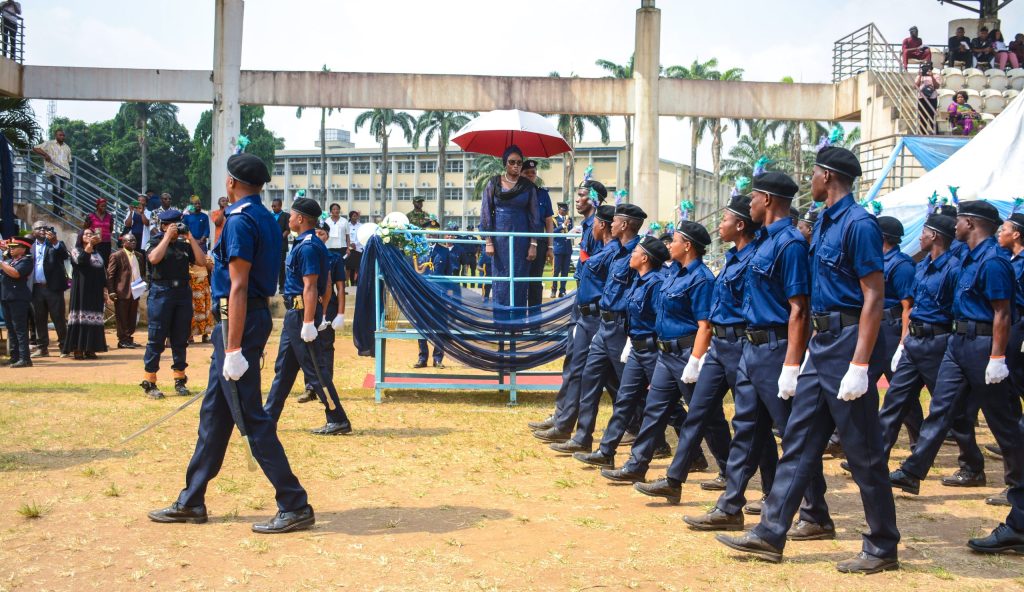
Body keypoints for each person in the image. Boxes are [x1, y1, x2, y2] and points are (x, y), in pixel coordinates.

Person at [717, 147, 900, 574]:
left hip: (848, 340)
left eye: (815, 174)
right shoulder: (822, 226)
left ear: (828, 177)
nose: (811, 181)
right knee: (798, 440)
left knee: (863, 452)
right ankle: (770, 532)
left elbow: (873, 295)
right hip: (823, 343)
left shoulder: (858, 225)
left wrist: (860, 364)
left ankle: (881, 545)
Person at [149, 152, 315, 534]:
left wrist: (234, 349)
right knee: (214, 415)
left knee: (251, 418)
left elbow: (238, 286)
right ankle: (192, 500)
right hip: (243, 319)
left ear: (230, 182)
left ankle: (294, 502)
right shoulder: (264, 219)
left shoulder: (241, 220)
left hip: (238, 322)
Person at [889, 201, 1024, 554]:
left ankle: (1020, 509)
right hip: (958, 342)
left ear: (970, 223)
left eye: (960, 220)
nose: (956, 225)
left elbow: (1002, 313)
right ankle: (912, 471)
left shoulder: (993, 261)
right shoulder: (967, 257)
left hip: (982, 346)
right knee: (941, 408)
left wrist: (996, 358)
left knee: (1005, 428)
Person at [632, 195, 777, 511]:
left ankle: (770, 491)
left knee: (755, 423)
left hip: (741, 347)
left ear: (740, 225)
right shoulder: (732, 259)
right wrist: (699, 358)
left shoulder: (753, 259)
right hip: (719, 349)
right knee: (696, 412)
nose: (720, 224)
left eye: (725, 219)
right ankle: (673, 481)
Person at [877, 214, 982, 482]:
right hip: (914, 342)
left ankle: (972, 465)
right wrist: (903, 342)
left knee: (951, 411)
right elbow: (911, 307)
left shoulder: (954, 269)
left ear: (934, 235)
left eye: (923, 232)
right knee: (894, 402)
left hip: (939, 343)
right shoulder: (922, 266)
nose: (920, 237)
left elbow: (958, 309)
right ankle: (875, 460)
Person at [546, 204, 646, 454]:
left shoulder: (634, 254)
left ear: (622, 225)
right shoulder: (619, 252)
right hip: (602, 322)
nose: (609, 224)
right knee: (590, 378)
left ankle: (656, 439)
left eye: (614, 221)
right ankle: (582, 438)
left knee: (629, 387)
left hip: (618, 326)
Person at [572, 235, 669, 470]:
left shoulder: (655, 283)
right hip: (633, 343)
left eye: (636, 252)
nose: (632, 255)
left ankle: (690, 451)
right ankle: (606, 451)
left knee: (665, 404)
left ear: (644, 258)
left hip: (651, 349)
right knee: (624, 399)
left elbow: (659, 321)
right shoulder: (639, 279)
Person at [263, 197, 352, 436]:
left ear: (301, 219)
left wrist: (310, 321)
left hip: (302, 313)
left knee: (314, 369)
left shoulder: (310, 246)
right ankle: (267, 418)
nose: (289, 219)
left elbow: (312, 286)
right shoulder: (303, 242)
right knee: (284, 368)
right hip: (295, 313)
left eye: (291, 215)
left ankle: (337, 417)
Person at [532, 204, 619, 443]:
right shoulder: (605, 250)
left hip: (595, 318)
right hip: (585, 315)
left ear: (602, 225)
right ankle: (565, 423)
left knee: (586, 373)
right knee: (592, 373)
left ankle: (566, 426)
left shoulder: (611, 253)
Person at [141, 209, 205, 399]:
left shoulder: (185, 244)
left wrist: (191, 237)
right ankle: (150, 381)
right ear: (163, 225)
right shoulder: (154, 241)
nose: (176, 227)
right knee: (156, 337)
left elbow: (201, 261)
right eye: (172, 224)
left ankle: (180, 379)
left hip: (182, 293)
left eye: (179, 223)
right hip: (161, 292)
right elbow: (153, 259)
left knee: (180, 338)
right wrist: (167, 237)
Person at [479, 145, 541, 311]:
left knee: (520, 279)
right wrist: (488, 240)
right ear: (505, 163)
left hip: (522, 239)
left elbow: (535, 216)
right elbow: (485, 212)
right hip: (499, 240)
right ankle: (500, 324)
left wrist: (533, 244)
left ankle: (517, 325)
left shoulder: (528, 187)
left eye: (519, 162)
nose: (516, 165)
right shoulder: (493, 183)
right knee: (500, 280)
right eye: (512, 162)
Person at [877, 216, 921, 445]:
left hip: (892, 330)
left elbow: (908, 307)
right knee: (860, 383)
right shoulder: (875, 260)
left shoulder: (901, 265)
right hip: (875, 327)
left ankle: (918, 443)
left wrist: (903, 343)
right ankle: (841, 439)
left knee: (902, 392)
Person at [298, 222, 347, 404]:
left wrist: (341, 313)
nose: (319, 237)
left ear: (327, 236)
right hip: (309, 306)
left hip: (329, 308)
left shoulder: (334, 258)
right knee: (308, 347)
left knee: (326, 346)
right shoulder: (305, 252)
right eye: (316, 233)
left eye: (323, 234)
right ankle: (310, 387)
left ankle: (326, 387)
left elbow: (341, 287)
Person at [62, 228, 109, 360]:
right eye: (86, 234)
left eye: (91, 234)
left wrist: (105, 290)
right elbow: (82, 261)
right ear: (81, 237)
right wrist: (89, 246)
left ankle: (90, 347)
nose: (89, 236)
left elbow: (102, 273)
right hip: (81, 290)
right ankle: (78, 348)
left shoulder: (98, 254)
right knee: (81, 316)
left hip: (95, 290)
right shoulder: (76, 251)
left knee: (94, 317)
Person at [414, 219, 451, 368]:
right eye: (429, 232)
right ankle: (423, 357)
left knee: (440, 326)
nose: (431, 235)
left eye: (434, 233)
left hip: (439, 294)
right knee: (422, 325)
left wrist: (448, 294)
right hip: (422, 293)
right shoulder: (418, 250)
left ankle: (438, 358)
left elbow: (449, 274)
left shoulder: (444, 251)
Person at [29, 221, 69, 357]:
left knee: (58, 317)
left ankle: (64, 347)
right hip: (36, 288)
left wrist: (55, 241)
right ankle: (42, 348)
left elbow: (64, 255)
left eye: (44, 227)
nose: (42, 230)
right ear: (33, 231)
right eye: (38, 228)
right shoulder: (30, 247)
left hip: (53, 288)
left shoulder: (55, 244)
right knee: (39, 319)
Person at [522, 160, 555, 307]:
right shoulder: (515, 194)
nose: (530, 175)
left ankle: (535, 321)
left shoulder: (542, 194)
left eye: (533, 173)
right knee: (518, 281)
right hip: (519, 242)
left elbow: (548, 222)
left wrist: (550, 247)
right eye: (526, 173)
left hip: (540, 243)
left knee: (535, 282)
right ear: (520, 173)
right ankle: (518, 321)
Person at [106, 232, 146, 349]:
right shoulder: (117, 255)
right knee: (122, 317)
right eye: (130, 240)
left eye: (134, 240)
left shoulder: (139, 255)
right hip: (122, 291)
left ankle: (129, 338)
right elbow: (110, 275)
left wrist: (141, 285)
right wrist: (111, 291)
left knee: (132, 317)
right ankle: (122, 340)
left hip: (136, 290)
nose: (133, 242)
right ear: (123, 243)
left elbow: (142, 272)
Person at [1, 236, 32, 367]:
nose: (11, 249)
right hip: (6, 297)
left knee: (19, 329)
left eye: (14, 247)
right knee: (11, 329)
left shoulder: (26, 260)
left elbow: (15, 274)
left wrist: (1, 263)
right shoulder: (11, 261)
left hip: (18, 298)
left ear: (23, 249)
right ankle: (15, 356)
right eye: (11, 247)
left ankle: (25, 358)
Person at [32, 130, 71, 217]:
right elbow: (35, 148)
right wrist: (45, 154)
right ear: (56, 135)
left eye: (63, 135)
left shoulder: (67, 147)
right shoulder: (49, 143)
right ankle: (56, 211)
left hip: (65, 172)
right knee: (57, 190)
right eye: (60, 135)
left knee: (62, 192)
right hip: (54, 170)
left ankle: (59, 210)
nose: (62, 137)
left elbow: (69, 160)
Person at [189, 252, 214, 344]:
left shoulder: (201, 253)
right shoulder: (185, 251)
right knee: (192, 309)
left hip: (203, 283)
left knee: (205, 309)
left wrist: (204, 261)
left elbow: (211, 266)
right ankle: (190, 335)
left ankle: (205, 335)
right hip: (192, 282)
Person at [551, 202, 573, 298]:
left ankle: (562, 290)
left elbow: (571, 231)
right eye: (563, 210)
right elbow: (552, 232)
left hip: (567, 248)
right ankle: (553, 290)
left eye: (566, 210)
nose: (565, 212)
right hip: (558, 248)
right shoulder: (554, 219)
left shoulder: (569, 219)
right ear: (559, 209)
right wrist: (562, 226)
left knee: (565, 271)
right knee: (556, 271)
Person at [270, 198, 290, 293]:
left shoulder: (286, 215)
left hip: (281, 244)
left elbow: (287, 229)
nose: (273, 207)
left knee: (281, 266)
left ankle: (282, 286)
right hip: (270, 245)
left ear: (280, 206)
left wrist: (279, 238)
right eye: (272, 206)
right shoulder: (269, 216)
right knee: (271, 266)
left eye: (275, 206)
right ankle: (271, 286)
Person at [85, 198, 114, 263]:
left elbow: (111, 229)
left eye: (105, 206)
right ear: (97, 206)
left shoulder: (109, 216)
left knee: (106, 261)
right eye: (102, 206)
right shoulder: (91, 216)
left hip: (106, 243)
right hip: (95, 242)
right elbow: (86, 228)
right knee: (95, 261)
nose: (104, 207)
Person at [915, 63, 942, 134]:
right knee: (922, 117)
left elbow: (937, 86)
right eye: (924, 68)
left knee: (932, 116)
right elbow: (915, 86)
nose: (926, 69)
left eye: (927, 68)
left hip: (932, 98)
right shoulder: (919, 76)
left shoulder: (936, 75)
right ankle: (922, 133)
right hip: (922, 98)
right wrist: (920, 76)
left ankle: (935, 134)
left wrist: (932, 76)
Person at [346, 210, 364, 286]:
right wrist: (350, 244)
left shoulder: (360, 225)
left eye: (356, 216)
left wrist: (355, 243)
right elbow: (346, 235)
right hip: (349, 248)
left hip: (358, 248)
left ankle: (357, 282)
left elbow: (362, 236)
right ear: (350, 217)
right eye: (353, 216)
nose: (355, 217)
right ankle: (347, 282)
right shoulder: (347, 225)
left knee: (357, 266)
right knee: (348, 266)